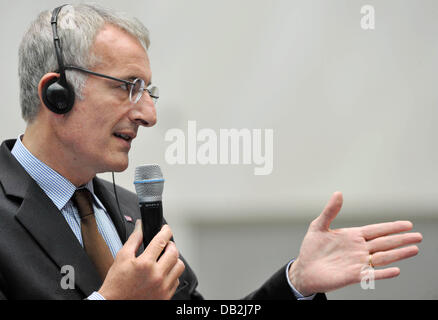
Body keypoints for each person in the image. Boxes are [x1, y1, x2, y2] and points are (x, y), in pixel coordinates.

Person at [0, 3, 422, 300]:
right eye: (128, 87)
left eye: (149, 93)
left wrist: (297, 283)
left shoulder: (134, 210)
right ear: (57, 94)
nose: (149, 114)